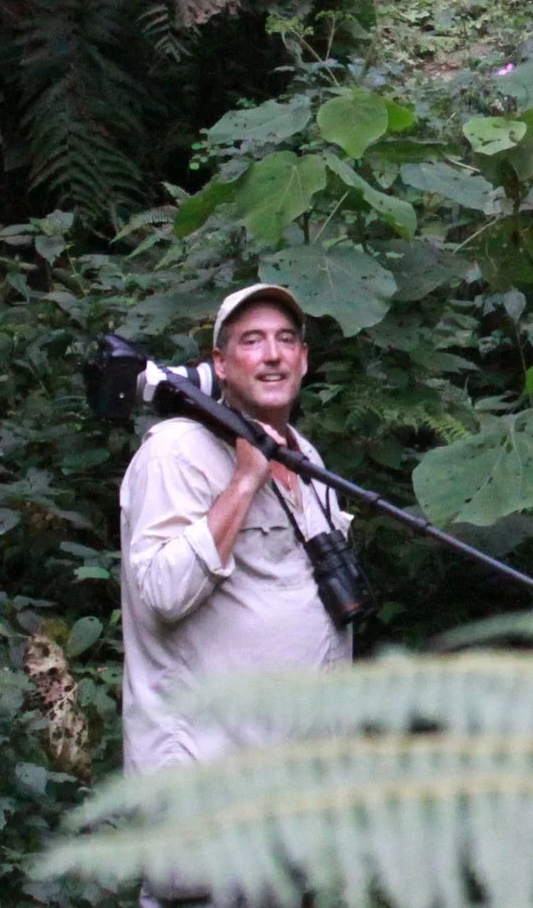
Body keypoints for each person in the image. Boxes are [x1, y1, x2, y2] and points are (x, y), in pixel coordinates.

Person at [119, 284, 351, 908]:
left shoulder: (307, 456)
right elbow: (163, 592)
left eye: (285, 340)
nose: (272, 356)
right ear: (220, 364)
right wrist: (246, 478)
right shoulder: (175, 451)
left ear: (304, 359)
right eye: (251, 341)